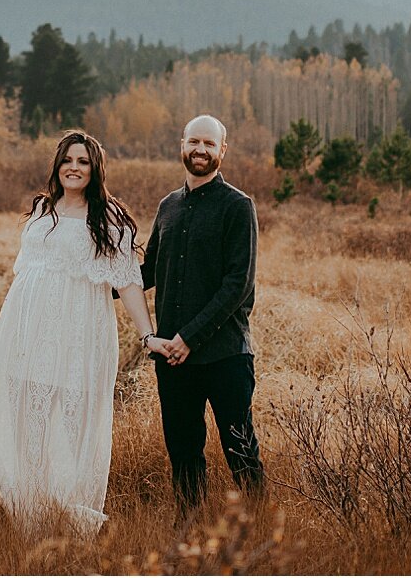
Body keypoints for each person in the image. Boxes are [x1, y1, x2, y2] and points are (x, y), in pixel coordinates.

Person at [0, 130, 165, 533]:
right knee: (27, 414)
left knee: (71, 418)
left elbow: (128, 282)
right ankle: (26, 507)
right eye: (68, 160)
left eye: (83, 162)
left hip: (79, 336)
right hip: (27, 334)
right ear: (57, 165)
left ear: (95, 170)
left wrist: (148, 334)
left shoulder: (109, 219)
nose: (74, 168)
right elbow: (27, 273)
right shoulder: (43, 210)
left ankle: (65, 508)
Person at [142, 114, 265, 519]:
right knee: (183, 452)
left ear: (222, 151)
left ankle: (261, 530)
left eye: (209, 144)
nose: (200, 150)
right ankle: (190, 531)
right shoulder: (168, 206)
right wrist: (88, 275)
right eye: (194, 141)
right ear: (182, 144)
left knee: (240, 451)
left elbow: (237, 285)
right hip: (174, 361)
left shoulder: (238, 206)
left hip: (225, 356)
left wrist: (189, 337)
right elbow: (145, 272)